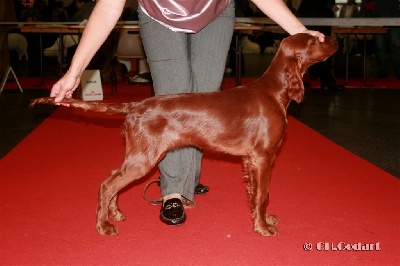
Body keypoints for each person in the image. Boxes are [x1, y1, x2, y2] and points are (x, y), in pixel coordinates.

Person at [49, 0, 325, 226]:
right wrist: (75, 71)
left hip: (215, 12)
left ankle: (188, 178)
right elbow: (109, 6)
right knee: (173, 102)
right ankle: (174, 191)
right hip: (159, 15)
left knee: (207, 105)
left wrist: (301, 33)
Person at [297, 0, 345, 90]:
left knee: (312, 53)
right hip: (316, 19)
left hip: (314, 18)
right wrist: (330, 5)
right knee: (318, 52)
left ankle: (325, 80)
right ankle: (327, 81)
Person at [360, 0, 400, 79]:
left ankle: (398, 71)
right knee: (379, 46)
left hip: (395, 18)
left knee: (396, 45)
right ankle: (382, 71)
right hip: (378, 19)